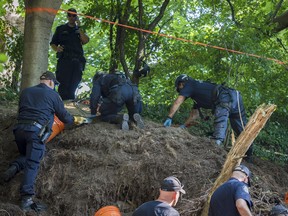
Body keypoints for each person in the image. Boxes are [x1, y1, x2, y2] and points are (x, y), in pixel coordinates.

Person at [0, 71, 74, 212]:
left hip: (19, 131)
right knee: (33, 163)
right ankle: (26, 200)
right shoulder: (53, 95)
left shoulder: (26, 92)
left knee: (27, 155)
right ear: (51, 82)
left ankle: (13, 168)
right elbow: (65, 117)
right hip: (36, 133)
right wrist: (73, 122)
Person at [163, 74, 253, 162]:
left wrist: (169, 117)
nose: (181, 91)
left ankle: (215, 146)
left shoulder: (189, 83)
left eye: (180, 88)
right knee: (241, 129)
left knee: (220, 119)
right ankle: (248, 157)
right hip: (234, 97)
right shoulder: (197, 94)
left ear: (181, 84)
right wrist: (183, 126)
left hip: (225, 97)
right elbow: (194, 115)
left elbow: (178, 102)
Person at [50, 8, 90, 100]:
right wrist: (57, 48)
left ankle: (70, 105)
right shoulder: (60, 29)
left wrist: (79, 27)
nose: (71, 17)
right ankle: (61, 105)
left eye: (74, 15)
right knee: (63, 85)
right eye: (69, 15)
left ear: (76, 16)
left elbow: (85, 40)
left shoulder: (80, 30)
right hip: (64, 61)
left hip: (77, 62)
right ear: (67, 16)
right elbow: (53, 43)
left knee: (73, 86)